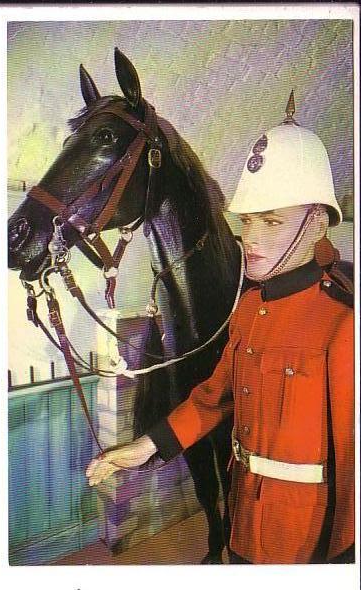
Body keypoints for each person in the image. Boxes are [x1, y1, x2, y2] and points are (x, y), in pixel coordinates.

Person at [86, 94, 354, 565]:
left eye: (272, 222)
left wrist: (341, 564)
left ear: (315, 224)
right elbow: (215, 398)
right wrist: (143, 447)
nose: (251, 238)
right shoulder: (250, 309)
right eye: (248, 220)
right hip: (243, 531)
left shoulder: (341, 320)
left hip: (302, 547)